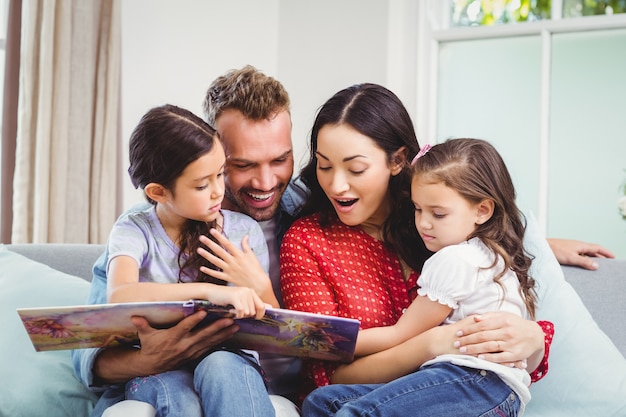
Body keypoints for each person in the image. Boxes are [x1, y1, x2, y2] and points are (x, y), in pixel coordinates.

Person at [73, 66, 611, 415]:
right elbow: (87, 338)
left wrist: (529, 239)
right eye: (238, 167)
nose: (264, 182)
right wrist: (147, 359)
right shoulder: (154, 227)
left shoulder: (431, 222)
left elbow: (479, 223)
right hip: (249, 381)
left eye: (280, 161)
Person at [279, 84, 554, 405]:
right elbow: (326, 370)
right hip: (374, 396)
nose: (336, 184)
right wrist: (432, 344)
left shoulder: (438, 224)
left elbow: (497, 276)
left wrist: (535, 338)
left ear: (398, 161)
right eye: (324, 166)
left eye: (356, 168)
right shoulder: (308, 241)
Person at [306, 138, 538, 417]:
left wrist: (325, 340)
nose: (423, 223)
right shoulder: (487, 255)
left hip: (478, 383)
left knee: (354, 414)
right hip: (477, 384)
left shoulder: (457, 259)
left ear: (482, 210)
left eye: (438, 214)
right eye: (417, 209)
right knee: (322, 402)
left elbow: (401, 333)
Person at [90, 104, 276, 417]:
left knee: (223, 365)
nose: (219, 191)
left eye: (220, 174)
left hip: (228, 364)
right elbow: (120, 294)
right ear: (159, 192)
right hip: (155, 373)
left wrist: (258, 290)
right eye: (203, 185)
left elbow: (272, 327)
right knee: (176, 393)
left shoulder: (243, 231)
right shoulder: (134, 229)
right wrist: (209, 292)